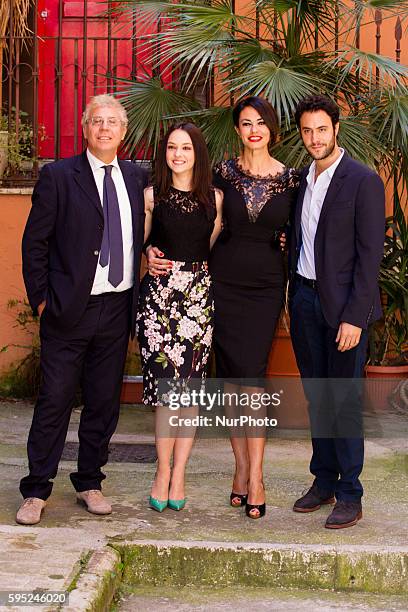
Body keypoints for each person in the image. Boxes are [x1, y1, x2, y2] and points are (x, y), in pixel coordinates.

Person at [148, 97, 300, 519]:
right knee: (232, 380)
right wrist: (152, 251)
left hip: (267, 286)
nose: (254, 129)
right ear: (237, 130)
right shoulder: (221, 174)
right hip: (222, 284)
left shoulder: (292, 180)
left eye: (261, 122)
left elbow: (301, 231)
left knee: (253, 379)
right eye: (246, 123)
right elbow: (191, 225)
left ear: (272, 128)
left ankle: (258, 478)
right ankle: (240, 470)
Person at [16, 94, 148, 525]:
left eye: (113, 122)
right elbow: (35, 244)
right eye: (97, 121)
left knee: (103, 402)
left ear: (123, 131)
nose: (105, 128)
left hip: (117, 307)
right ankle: (36, 490)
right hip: (69, 308)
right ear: (85, 127)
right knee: (54, 400)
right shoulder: (58, 176)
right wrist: (41, 301)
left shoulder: (136, 178)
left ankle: (90, 481)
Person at [289, 95, 385, 529]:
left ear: (336, 129)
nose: (314, 139)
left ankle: (350, 492)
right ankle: (324, 480)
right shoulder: (301, 181)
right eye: (307, 131)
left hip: (345, 309)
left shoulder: (362, 180)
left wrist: (355, 316)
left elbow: (369, 258)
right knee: (317, 396)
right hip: (305, 300)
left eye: (321, 130)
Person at [138, 122, 223, 512]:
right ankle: (160, 471)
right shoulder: (151, 196)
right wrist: (148, 255)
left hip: (197, 300)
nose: (178, 155)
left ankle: (180, 473)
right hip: (159, 303)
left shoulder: (216, 200)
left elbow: (207, 249)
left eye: (186, 148)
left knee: (188, 395)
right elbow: (143, 245)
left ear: (197, 154)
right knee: (165, 395)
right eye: (172, 147)